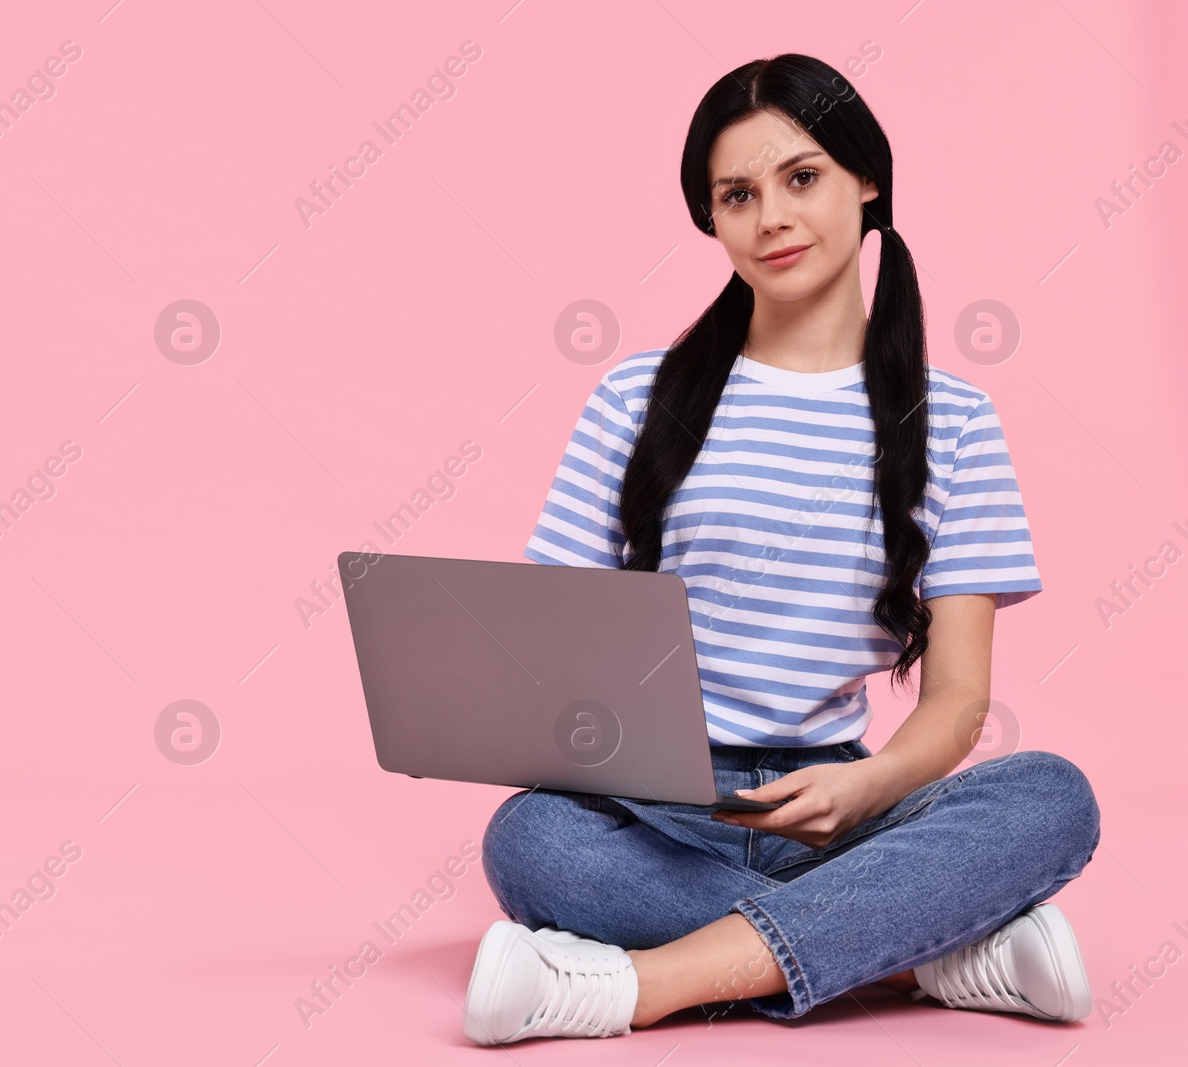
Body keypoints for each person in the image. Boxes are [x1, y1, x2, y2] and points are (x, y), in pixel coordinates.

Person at [461, 53, 1101, 1046]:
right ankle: (929, 947)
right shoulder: (637, 397)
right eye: (736, 194)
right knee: (534, 839)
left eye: (800, 178)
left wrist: (868, 785)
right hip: (659, 801)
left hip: (843, 801)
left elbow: (958, 702)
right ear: (710, 219)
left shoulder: (956, 422)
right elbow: (552, 647)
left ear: (865, 179)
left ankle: (636, 984)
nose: (771, 218)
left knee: (1052, 794)